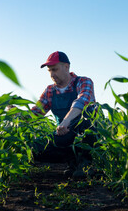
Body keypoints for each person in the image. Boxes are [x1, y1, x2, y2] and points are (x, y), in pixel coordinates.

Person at [30, 51, 97, 179]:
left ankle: (86, 164)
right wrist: (15, 114)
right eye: (49, 71)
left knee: (88, 113)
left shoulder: (83, 82)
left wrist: (66, 120)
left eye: (54, 69)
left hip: (83, 133)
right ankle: (71, 162)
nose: (52, 74)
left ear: (66, 67)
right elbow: (35, 113)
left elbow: (82, 101)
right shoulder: (50, 90)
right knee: (35, 147)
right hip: (63, 134)